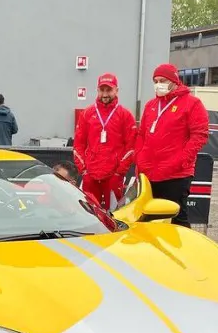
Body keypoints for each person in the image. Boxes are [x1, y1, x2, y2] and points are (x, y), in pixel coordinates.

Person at [135, 63, 209, 228]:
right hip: (149, 173)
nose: (158, 84)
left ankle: (183, 252)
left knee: (176, 219)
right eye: (155, 81)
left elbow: (200, 135)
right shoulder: (151, 105)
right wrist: (139, 158)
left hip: (175, 174)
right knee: (150, 219)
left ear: (174, 81)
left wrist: (181, 161)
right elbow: (141, 135)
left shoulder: (192, 103)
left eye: (162, 80)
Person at [73, 73, 137, 210]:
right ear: (97, 90)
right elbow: (78, 144)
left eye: (109, 90)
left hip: (113, 176)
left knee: (114, 215)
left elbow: (131, 146)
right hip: (91, 175)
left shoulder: (125, 115)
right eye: (102, 90)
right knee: (90, 214)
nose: (105, 94)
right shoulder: (87, 114)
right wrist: (84, 171)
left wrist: (119, 172)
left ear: (116, 90)